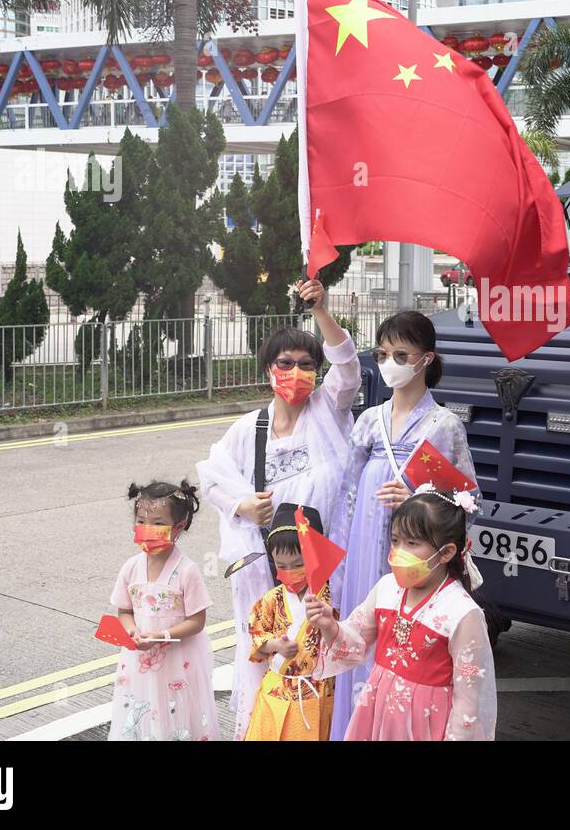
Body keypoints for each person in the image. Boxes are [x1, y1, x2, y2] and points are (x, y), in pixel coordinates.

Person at [196, 278, 360, 739]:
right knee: (271, 662)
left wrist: (321, 310)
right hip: (268, 579)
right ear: (268, 369)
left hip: (327, 576)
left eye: (307, 365)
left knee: (325, 664)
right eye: (285, 363)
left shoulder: (329, 411)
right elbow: (211, 478)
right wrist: (242, 504)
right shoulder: (249, 430)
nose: (296, 372)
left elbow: (347, 368)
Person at [327, 310, 478, 740]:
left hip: (412, 559)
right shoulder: (369, 420)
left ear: (426, 359)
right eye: (382, 352)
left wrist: (416, 498)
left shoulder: (444, 426)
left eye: (400, 353)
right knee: (361, 632)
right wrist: (337, 570)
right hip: (361, 551)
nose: (388, 361)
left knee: (400, 644)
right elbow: (346, 499)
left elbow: (469, 501)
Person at [309, 488, 496, 740]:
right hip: (378, 713)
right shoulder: (386, 588)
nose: (399, 551)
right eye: (396, 540)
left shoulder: (462, 612)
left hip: (427, 723)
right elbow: (356, 639)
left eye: (412, 543)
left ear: (447, 552)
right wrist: (330, 625)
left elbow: (469, 698)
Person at [109, 481, 219, 741]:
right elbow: (124, 611)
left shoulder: (187, 571)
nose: (148, 529)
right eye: (141, 521)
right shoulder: (130, 568)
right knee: (141, 711)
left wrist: (161, 636)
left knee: (177, 714)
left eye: (158, 524)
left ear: (178, 527)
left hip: (178, 661)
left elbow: (197, 621)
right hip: (139, 661)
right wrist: (132, 630)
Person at [243, 504, 337, 741]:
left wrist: (328, 626)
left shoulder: (332, 598)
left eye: (297, 565)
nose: (288, 572)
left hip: (316, 691)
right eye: (281, 566)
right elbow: (257, 635)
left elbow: (342, 641)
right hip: (278, 689)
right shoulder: (272, 599)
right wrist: (276, 645)